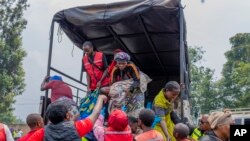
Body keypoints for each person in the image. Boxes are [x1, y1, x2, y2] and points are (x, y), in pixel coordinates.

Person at [27, 95, 107, 141]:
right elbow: (95, 114)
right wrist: (100, 98)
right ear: (68, 115)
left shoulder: (42, 132)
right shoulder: (77, 127)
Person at [108, 52, 144, 117]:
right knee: (113, 93)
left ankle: (135, 118)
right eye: (119, 63)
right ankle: (115, 115)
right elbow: (113, 84)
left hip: (136, 83)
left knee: (136, 103)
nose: (121, 65)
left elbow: (137, 81)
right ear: (116, 63)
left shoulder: (132, 66)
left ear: (127, 62)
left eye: (123, 63)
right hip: (124, 84)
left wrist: (130, 90)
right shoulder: (115, 68)